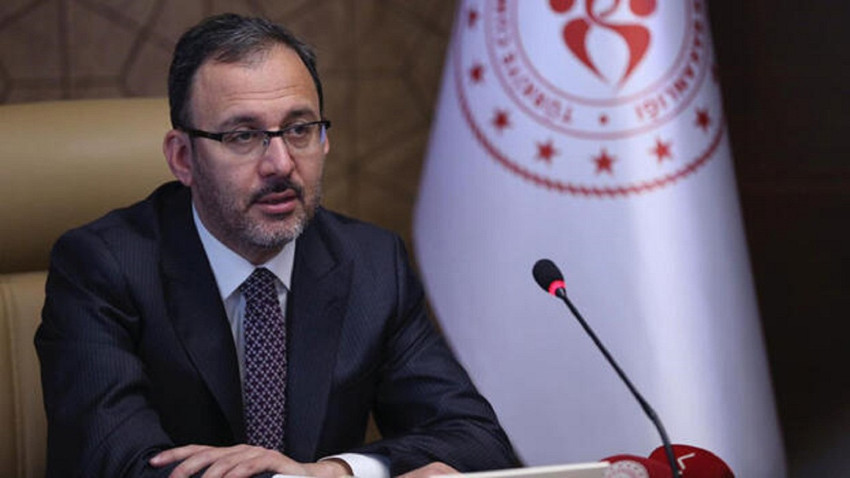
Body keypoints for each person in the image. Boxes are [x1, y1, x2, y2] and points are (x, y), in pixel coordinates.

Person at [35, 13, 518, 478]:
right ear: (183, 158)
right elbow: (116, 463)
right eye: (244, 136)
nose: (281, 164)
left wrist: (337, 471)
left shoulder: (371, 263)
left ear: (324, 140)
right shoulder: (102, 267)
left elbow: (477, 440)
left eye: (299, 129)